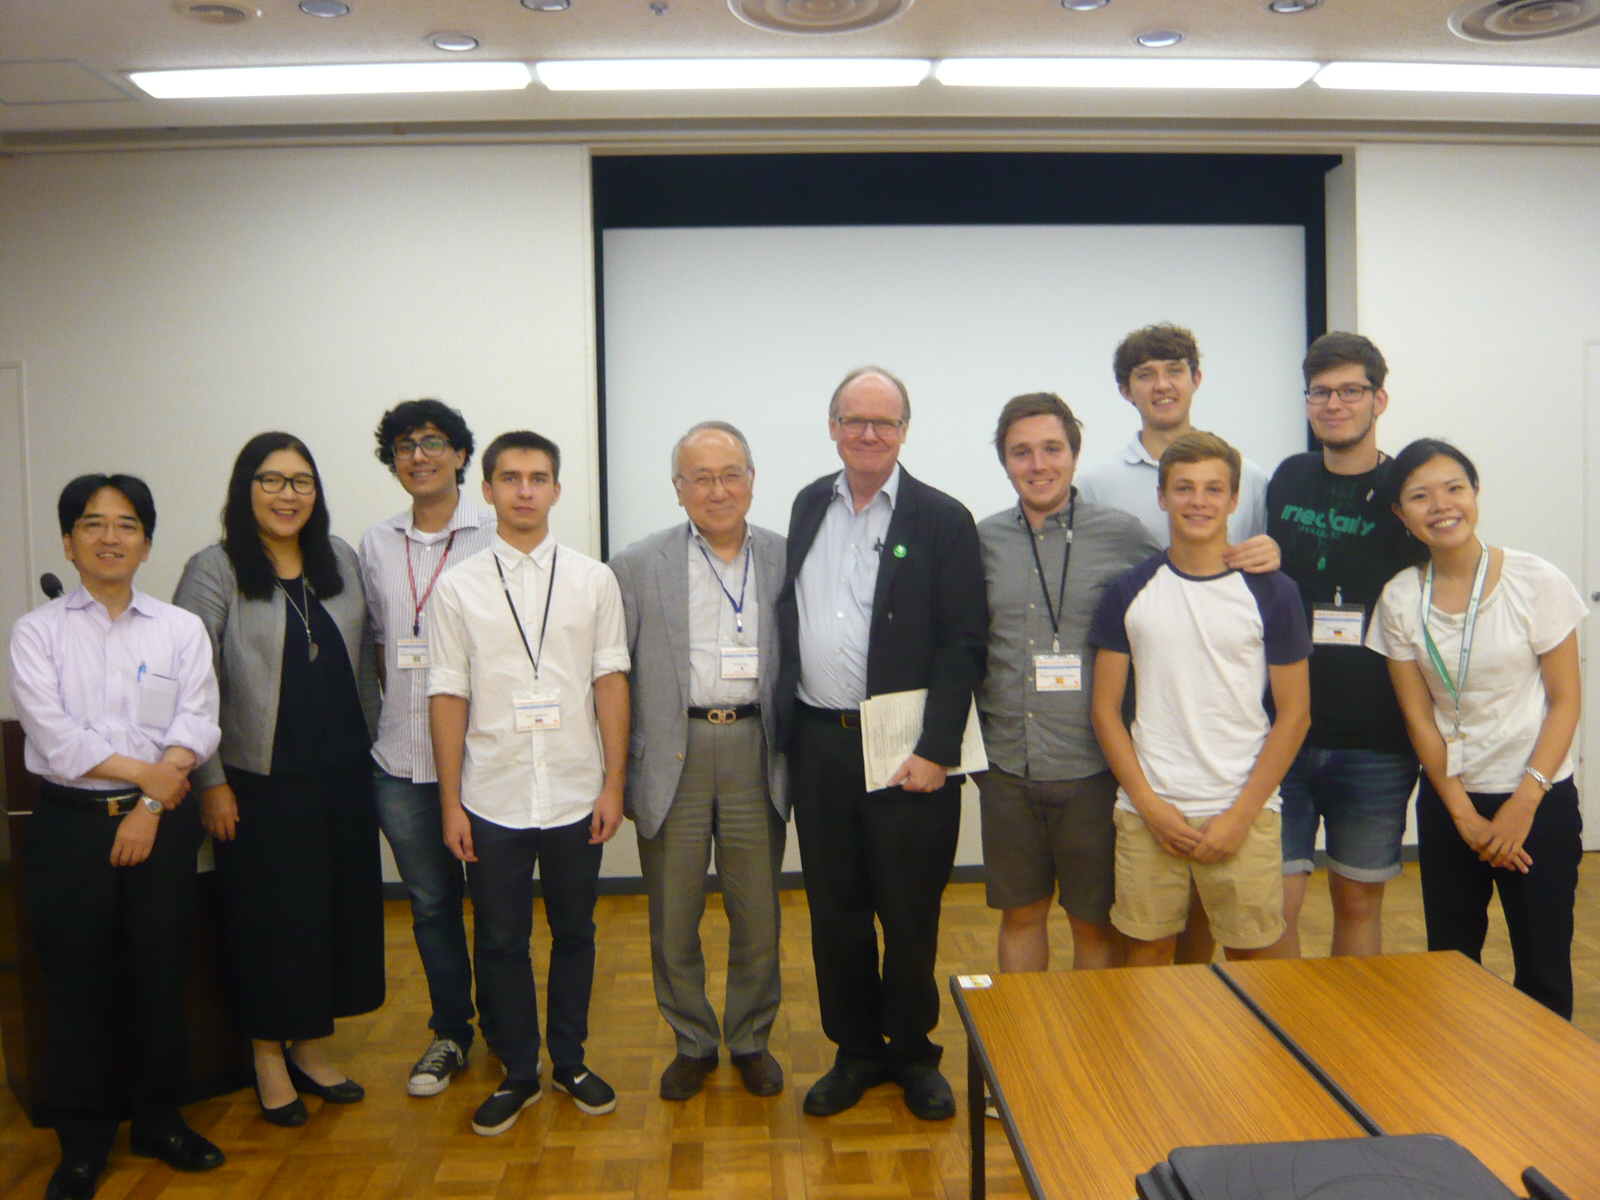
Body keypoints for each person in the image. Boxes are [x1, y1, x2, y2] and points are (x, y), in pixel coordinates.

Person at [775, 366, 987, 1121]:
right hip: (820, 744)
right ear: (832, 426)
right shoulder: (807, 506)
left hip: (908, 753)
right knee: (835, 911)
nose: (869, 434)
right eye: (854, 420)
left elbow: (963, 643)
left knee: (908, 912)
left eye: (884, 422)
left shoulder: (942, 518)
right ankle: (856, 1050)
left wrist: (937, 749)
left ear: (904, 432)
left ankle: (913, 1053)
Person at [9, 475, 224, 1200]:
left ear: (147, 542)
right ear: (68, 543)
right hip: (72, 827)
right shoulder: (37, 632)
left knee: (162, 976)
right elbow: (56, 739)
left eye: (126, 524)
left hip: (158, 828)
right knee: (76, 984)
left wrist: (150, 805)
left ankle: (160, 1120)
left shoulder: (178, 629)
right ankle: (83, 1138)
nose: (110, 537)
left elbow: (195, 721)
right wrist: (148, 779)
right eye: (93, 525)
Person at [174, 433, 384, 1127]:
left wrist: (375, 751)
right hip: (258, 781)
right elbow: (190, 684)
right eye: (271, 480)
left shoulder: (342, 561)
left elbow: (363, 666)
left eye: (300, 482)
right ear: (245, 489)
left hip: (341, 775)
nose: (287, 494)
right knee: (272, 922)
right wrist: (209, 782)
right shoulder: (215, 569)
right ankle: (267, 1053)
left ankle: (311, 1046)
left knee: (334, 911)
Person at [428, 430, 630, 1134]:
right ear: (485, 489)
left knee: (576, 932)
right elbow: (447, 695)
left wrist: (614, 785)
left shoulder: (593, 579)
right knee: (501, 940)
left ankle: (569, 1060)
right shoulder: (457, 589)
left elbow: (610, 680)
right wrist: (451, 802)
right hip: (494, 796)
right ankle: (519, 1070)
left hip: (577, 790)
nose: (522, 490)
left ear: (556, 490)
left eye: (537, 477)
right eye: (508, 478)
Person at [1076, 322, 1280, 964]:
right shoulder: (1100, 481)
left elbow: (1262, 569)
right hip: (1141, 697)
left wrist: (1272, 551)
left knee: (1219, 918)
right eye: (1145, 373)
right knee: (1145, 919)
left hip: (1221, 712)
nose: (1162, 384)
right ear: (1126, 389)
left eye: (1173, 369)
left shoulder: (1251, 473)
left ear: (1196, 378)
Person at [1367, 439, 1586, 1018]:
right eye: (1419, 495)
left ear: (1475, 493)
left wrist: (1523, 803)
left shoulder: (1536, 581)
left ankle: (1544, 1099)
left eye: (1454, 488)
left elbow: (1566, 703)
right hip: (1450, 803)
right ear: (1401, 513)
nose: (1440, 505)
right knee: (1451, 972)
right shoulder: (1399, 599)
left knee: (1542, 974)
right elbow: (1418, 718)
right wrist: (1464, 815)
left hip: (1537, 802)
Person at [609, 421, 788, 1101]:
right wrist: (618, 771)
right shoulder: (636, 563)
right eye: (702, 477)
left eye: (731, 473)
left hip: (754, 747)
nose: (719, 489)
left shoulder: (786, 557)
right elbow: (614, 676)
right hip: (672, 752)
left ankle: (749, 1038)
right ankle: (691, 1039)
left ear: (751, 479)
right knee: (672, 913)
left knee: (757, 911)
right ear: (679, 489)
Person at [1089, 431, 1311, 966]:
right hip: (1150, 811)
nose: (1199, 501)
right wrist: (1148, 805)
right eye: (1184, 488)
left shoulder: (1273, 591)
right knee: (1146, 962)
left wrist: (1241, 815)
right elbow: (1104, 710)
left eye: (1214, 489)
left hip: (1245, 810)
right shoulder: (1129, 590)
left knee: (1256, 966)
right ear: (1162, 497)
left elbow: (1295, 713)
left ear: (1234, 500)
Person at [975, 393, 1158, 979]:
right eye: (1021, 452)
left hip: (1094, 767)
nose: (1038, 465)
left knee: (1093, 921)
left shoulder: (1123, 535)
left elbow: (1184, 591)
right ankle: (1023, 1052)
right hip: (1007, 766)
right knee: (1021, 915)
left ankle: (1090, 1056)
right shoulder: (981, 541)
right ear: (1005, 462)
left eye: (1052, 449)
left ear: (1074, 455)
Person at [1266, 334, 1428, 957]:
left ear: (1379, 399)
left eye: (1350, 391)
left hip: (1377, 737)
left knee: (1358, 902)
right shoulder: (1287, 477)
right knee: (1273, 904)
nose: (1335, 404)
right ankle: (1273, 1046)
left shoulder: (1406, 491)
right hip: (1284, 728)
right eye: (1321, 392)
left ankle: (1343, 1044)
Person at [358, 399, 493, 1096]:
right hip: (401, 762)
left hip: (486, 762)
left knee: (497, 905)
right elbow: (375, 646)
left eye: (434, 442)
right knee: (432, 906)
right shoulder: (375, 544)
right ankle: (450, 1032)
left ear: (462, 455)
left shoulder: (499, 532)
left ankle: (507, 1028)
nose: (420, 455)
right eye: (405, 445)